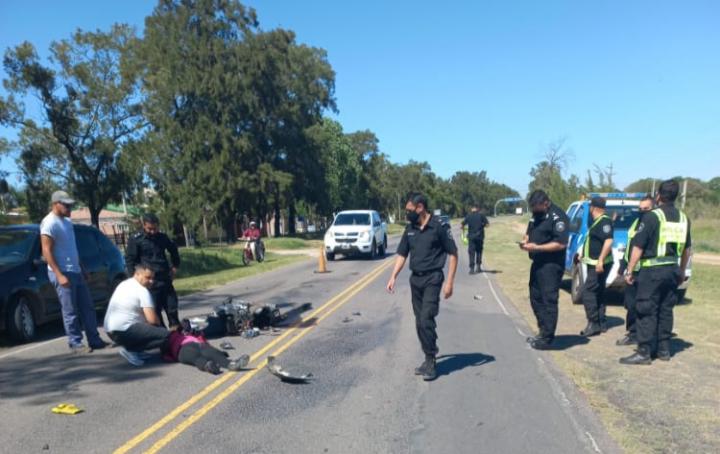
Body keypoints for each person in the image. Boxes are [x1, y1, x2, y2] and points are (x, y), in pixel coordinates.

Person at [386, 193, 458, 381]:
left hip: (433, 278)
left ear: (420, 208)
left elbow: (453, 253)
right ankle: (428, 356)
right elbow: (402, 254)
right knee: (419, 322)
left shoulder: (439, 226)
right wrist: (393, 276)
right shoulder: (410, 229)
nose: (407, 214)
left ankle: (431, 359)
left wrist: (449, 282)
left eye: (409, 210)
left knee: (426, 318)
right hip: (415, 280)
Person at [620, 180, 691, 365]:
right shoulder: (684, 219)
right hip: (672, 270)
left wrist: (629, 269)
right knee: (666, 310)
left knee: (646, 309)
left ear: (658, 196)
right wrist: (682, 271)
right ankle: (663, 350)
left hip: (652, 270)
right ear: (676, 196)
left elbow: (638, 246)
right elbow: (687, 250)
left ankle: (644, 352)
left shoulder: (652, 217)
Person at [40, 190, 108, 353]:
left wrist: (82, 268)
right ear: (56, 204)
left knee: (87, 307)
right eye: (66, 205)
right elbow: (46, 251)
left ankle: (94, 339)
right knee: (70, 310)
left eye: (71, 205)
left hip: (75, 270)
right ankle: (75, 343)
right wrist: (59, 274)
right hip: (62, 271)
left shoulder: (67, 222)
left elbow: (72, 249)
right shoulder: (49, 223)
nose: (70, 208)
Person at [520, 190, 570, 350]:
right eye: (532, 206)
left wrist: (538, 247)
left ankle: (548, 338)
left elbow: (561, 243)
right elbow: (530, 229)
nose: (534, 209)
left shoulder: (558, 217)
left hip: (551, 265)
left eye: (536, 206)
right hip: (537, 262)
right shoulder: (537, 214)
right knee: (535, 297)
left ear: (546, 203)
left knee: (549, 300)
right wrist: (526, 239)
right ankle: (542, 331)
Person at [104, 264, 170, 366]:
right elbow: (152, 320)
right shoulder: (142, 291)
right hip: (124, 331)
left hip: (111, 331)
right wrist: (161, 329)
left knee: (149, 329)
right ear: (137, 274)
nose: (151, 281)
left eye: (152, 278)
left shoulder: (124, 284)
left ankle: (135, 350)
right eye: (148, 277)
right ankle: (131, 349)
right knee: (166, 336)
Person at [125, 213, 181, 327]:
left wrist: (175, 266)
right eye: (149, 229)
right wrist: (135, 279)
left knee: (172, 310)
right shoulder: (136, 239)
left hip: (165, 280)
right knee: (155, 315)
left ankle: (177, 339)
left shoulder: (162, 237)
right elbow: (130, 260)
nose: (152, 231)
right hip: (149, 283)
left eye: (155, 228)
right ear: (144, 225)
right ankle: (164, 340)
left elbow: (174, 251)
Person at [616, 195, 654, 346]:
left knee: (643, 306)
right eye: (640, 209)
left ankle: (642, 335)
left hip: (645, 272)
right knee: (630, 304)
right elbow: (630, 247)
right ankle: (632, 333)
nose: (643, 212)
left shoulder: (652, 224)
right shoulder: (636, 223)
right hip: (632, 271)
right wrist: (623, 266)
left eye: (646, 209)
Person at [579, 197, 614, 337]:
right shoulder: (598, 222)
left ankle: (593, 323)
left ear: (593, 208)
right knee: (598, 292)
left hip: (599, 264)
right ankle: (601, 322)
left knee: (588, 292)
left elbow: (609, 241)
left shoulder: (604, 221)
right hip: (594, 262)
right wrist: (582, 255)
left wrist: (600, 260)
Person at [163, 324, 250, 375]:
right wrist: (174, 357)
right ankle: (208, 366)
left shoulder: (189, 335)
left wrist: (219, 352)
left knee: (209, 351)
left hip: (198, 345)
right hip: (181, 349)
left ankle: (231, 364)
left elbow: (203, 341)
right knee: (196, 358)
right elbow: (166, 354)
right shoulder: (169, 337)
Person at [461, 204, 489, 274]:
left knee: (471, 252)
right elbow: (487, 225)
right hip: (480, 237)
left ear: (472, 209)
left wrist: (463, 228)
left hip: (471, 237)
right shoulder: (481, 215)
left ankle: (471, 269)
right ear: (478, 209)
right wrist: (482, 226)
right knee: (479, 251)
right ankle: (478, 267)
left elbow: (462, 225)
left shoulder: (468, 216)